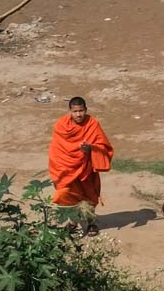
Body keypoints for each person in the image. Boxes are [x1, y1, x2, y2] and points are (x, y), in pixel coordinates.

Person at [47, 97, 114, 237]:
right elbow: (56, 149)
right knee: (66, 193)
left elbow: (103, 146)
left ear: (86, 110)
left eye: (81, 111)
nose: (78, 115)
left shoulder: (92, 124)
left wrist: (91, 149)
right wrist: (59, 170)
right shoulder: (61, 125)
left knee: (90, 196)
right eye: (75, 111)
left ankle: (91, 222)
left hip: (86, 168)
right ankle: (73, 222)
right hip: (67, 169)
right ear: (70, 111)